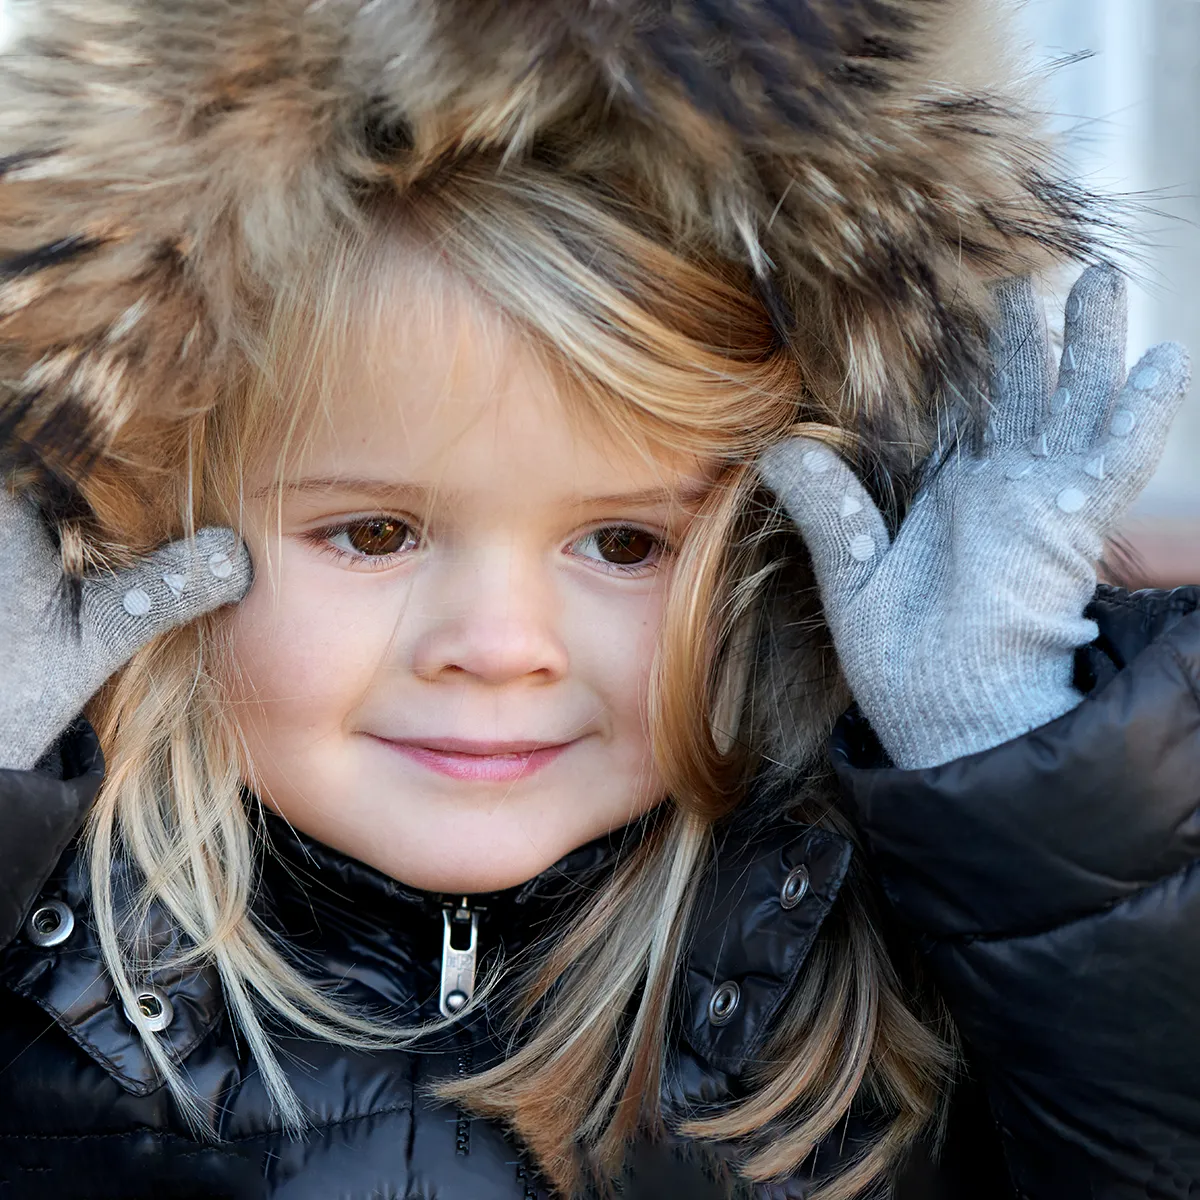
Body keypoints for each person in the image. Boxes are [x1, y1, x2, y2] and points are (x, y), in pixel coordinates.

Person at [0, 2, 1197, 1198]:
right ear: (140, 527)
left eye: (623, 542)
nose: (500, 648)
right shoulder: (35, 971)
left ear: (776, 574)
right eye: (374, 533)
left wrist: (1018, 789)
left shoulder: (910, 970)